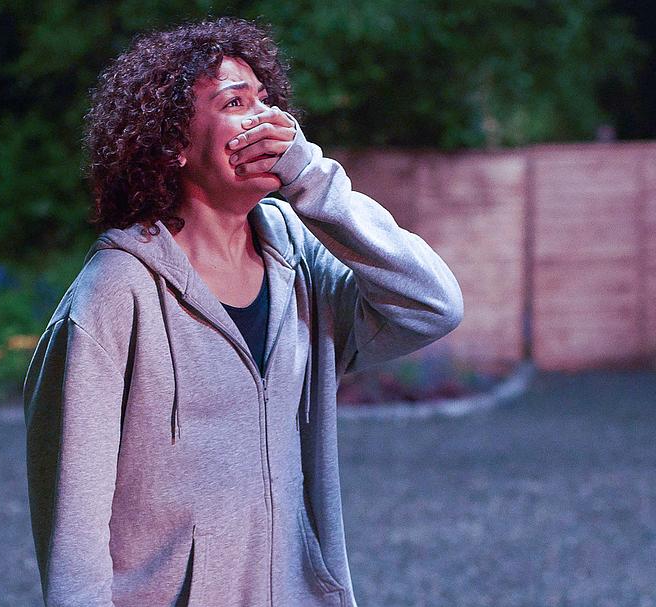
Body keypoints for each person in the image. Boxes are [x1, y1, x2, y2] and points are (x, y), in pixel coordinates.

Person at [23, 16, 463, 607]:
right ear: (174, 145)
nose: (268, 120)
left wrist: (313, 182)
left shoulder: (296, 256)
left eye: (266, 100)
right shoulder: (115, 293)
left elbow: (433, 305)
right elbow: (73, 537)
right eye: (236, 103)